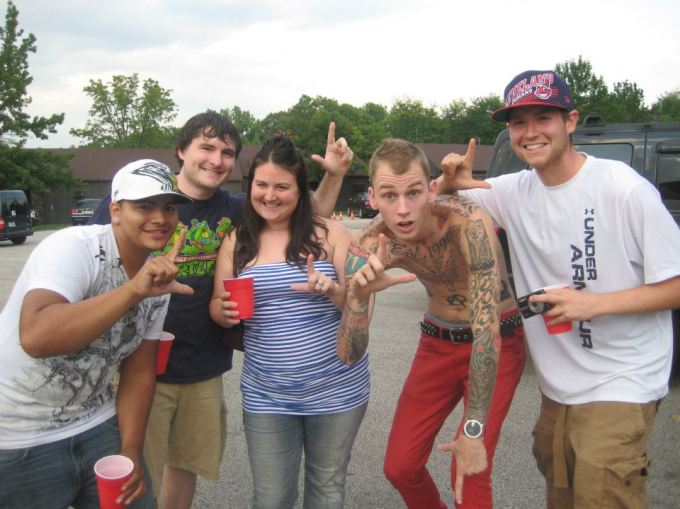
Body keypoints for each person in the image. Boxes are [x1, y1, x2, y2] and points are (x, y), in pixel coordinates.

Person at [438, 70, 680, 509]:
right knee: (562, 495)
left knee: (602, 495)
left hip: (622, 381)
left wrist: (595, 304)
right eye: (518, 122)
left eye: (543, 118)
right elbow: (429, 203)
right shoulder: (513, 191)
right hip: (559, 389)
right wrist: (450, 179)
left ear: (570, 121)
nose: (530, 132)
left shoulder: (622, 188)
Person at [88, 112, 352, 509]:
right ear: (181, 150)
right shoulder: (139, 200)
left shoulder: (235, 210)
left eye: (227, 152)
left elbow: (297, 208)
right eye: (207, 148)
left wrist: (333, 176)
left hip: (203, 367)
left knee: (184, 470)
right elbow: (90, 266)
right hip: (137, 364)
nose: (216, 160)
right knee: (138, 474)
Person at [336, 139, 527, 509]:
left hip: (495, 340)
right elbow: (349, 355)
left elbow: (486, 330)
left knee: (469, 471)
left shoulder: (467, 224)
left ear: (432, 189)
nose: (403, 209)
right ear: (372, 198)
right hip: (436, 342)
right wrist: (357, 297)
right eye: (389, 195)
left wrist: (473, 431)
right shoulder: (370, 245)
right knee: (400, 467)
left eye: (413, 193)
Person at [0, 159, 192, 508]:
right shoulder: (74, 248)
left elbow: (139, 372)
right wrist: (133, 291)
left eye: (169, 207)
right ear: (116, 211)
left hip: (95, 422)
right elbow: (36, 336)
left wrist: (131, 449)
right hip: (18, 433)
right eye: (144, 206)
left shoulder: (156, 277)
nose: (160, 218)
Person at [209, 135, 369, 508]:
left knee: (326, 490)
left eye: (282, 187)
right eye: (261, 185)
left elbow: (360, 304)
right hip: (266, 394)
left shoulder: (330, 234)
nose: (270, 195)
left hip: (337, 390)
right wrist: (224, 312)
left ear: (300, 191)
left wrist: (334, 292)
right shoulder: (237, 240)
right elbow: (218, 301)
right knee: (271, 498)